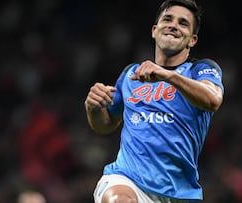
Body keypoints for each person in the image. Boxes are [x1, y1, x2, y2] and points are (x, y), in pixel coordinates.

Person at [84, 0, 224, 202]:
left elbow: (213, 99)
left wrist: (167, 75)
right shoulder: (131, 74)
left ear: (192, 40)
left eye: (183, 23)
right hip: (128, 180)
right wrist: (93, 107)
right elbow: (106, 125)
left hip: (180, 192)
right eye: (167, 19)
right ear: (154, 30)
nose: (173, 25)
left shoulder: (200, 70)